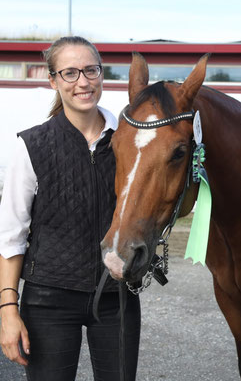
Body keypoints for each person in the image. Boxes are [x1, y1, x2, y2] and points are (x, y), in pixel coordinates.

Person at [0, 36, 140, 381]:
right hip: (48, 299)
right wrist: (7, 310)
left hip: (116, 298)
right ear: (53, 80)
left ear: (102, 74)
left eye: (91, 70)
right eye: (70, 73)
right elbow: (11, 237)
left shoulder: (130, 141)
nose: (83, 82)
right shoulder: (31, 145)